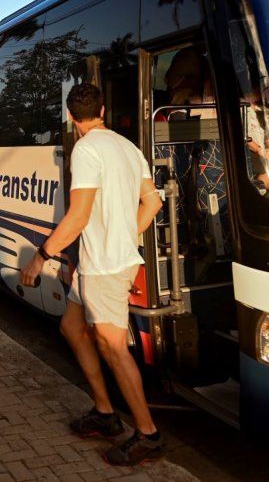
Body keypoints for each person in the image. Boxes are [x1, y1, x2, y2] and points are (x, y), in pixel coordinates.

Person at [19, 83, 164, 466]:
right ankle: (104, 413)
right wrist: (126, 235)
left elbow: (79, 215)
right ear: (103, 109)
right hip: (95, 262)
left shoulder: (85, 150)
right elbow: (153, 201)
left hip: (105, 266)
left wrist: (40, 257)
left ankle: (148, 434)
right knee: (71, 328)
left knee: (113, 348)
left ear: (70, 116)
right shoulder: (127, 147)